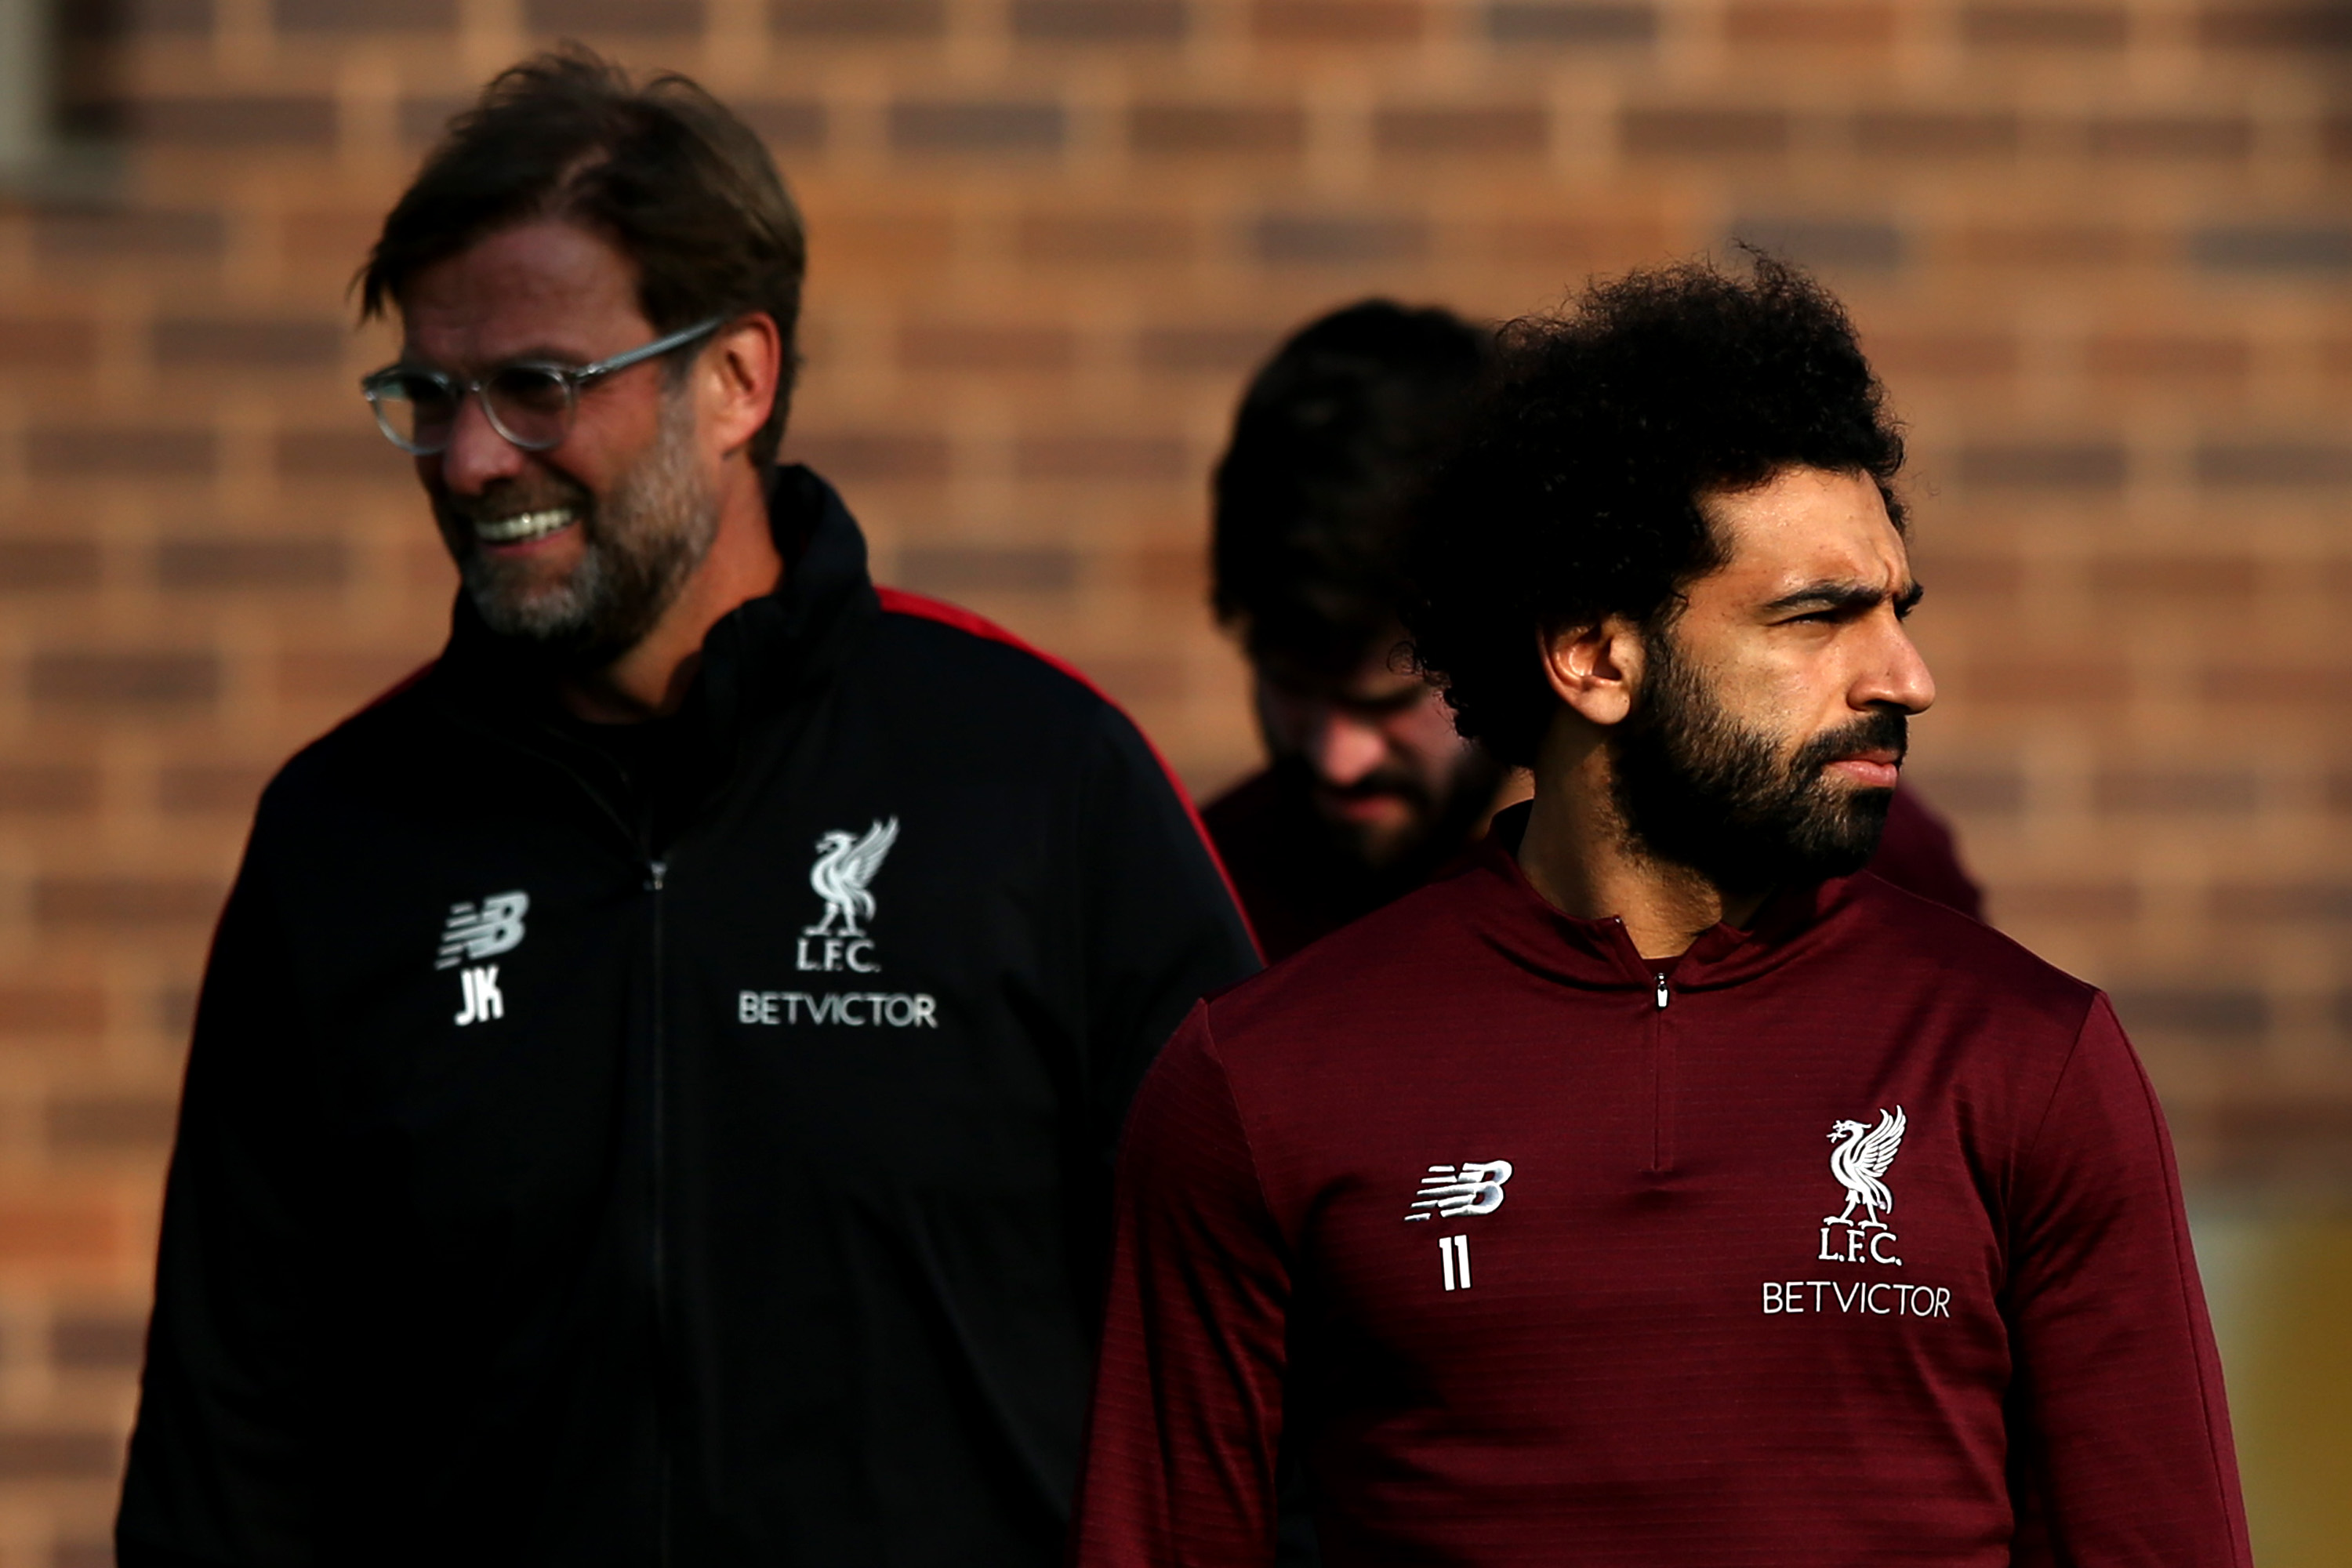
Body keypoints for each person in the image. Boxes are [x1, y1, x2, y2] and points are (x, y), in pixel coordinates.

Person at [116, 51, 1257, 1568]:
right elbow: (229, 1445)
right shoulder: (345, 839)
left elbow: (1264, 1353)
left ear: (737, 379)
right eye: (430, 397)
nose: (470, 461)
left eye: (539, 387)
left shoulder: (1035, 781)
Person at [1073, 259, 2249, 1566]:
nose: (1907, 677)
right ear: (1595, 655)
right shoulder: (1258, 1077)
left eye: (1895, 610)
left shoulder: (2032, 1059)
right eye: (1817, 617)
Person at [1204, 300, 1982, 964]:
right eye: (1293, 688)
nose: (1340, 758)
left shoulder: (1854, 853)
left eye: (1388, 699)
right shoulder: (1200, 884)